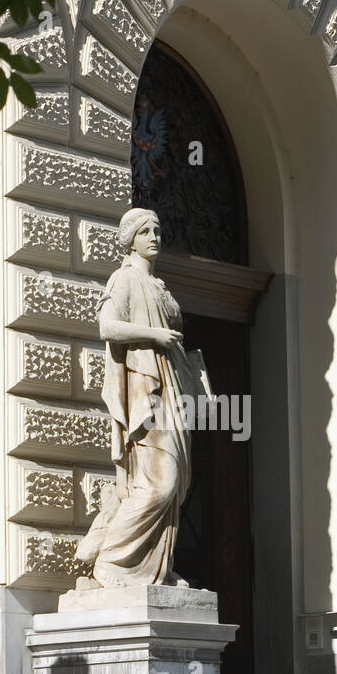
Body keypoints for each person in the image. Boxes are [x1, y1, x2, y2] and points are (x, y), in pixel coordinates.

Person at [75, 208, 206, 588]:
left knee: (177, 484)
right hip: (144, 388)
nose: (154, 237)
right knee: (158, 484)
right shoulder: (125, 279)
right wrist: (154, 336)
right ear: (130, 239)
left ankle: (156, 568)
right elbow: (107, 326)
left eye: (158, 230)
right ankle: (112, 563)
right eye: (145, 231)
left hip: (172, 387)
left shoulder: (160, 286)